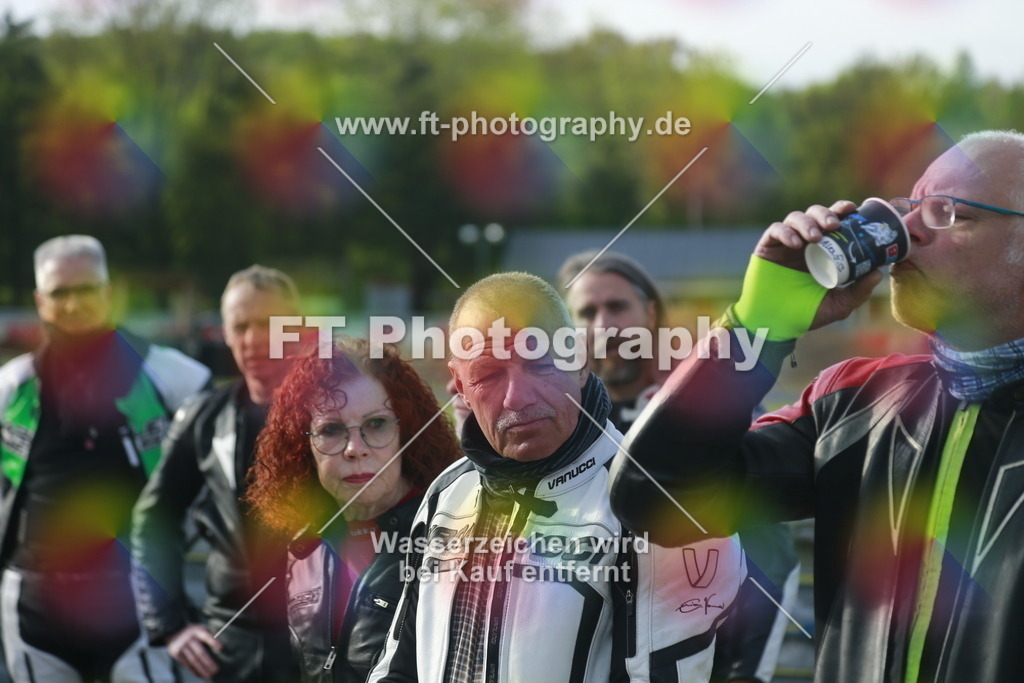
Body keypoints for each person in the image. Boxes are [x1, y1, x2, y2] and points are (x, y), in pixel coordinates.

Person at [610, 129, 1024, 682]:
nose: (908, 232)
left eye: (950, 213)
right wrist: (757, 325)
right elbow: (654, 495)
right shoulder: (853, 403)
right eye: (913, 205)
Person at [368, 272, 746, 682]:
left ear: (580, 360)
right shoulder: (446, 493)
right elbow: (398, 664)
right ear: (460, 385)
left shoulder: (658, 501)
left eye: (540, 364)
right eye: (488, 375)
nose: (517, 397)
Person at [559, 250, 800, 683]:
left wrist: (743, 670)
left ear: (650, 311)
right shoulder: (560, 416)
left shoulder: (709, 399)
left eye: (616, 307)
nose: (603, 327)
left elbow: (771, 548)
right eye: (586, 313)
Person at [0, 235, 211, 682]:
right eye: (60, 293)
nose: (74, 305)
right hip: (34, 605)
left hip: (138, 600)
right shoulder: (11, 389)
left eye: (87, 290)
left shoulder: (174, 377)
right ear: (40, 301)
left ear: (110, 293)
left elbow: (226, 470)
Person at [245, 338, 459, 682]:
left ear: (407, 431)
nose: (354, 449)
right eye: (331, 429)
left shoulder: (452, 539)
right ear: (302, 447)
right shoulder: (302, 548)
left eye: (376, 424)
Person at [131, 265, 302, 682]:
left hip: (320, 639)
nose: (254, 339)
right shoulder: (205, 418)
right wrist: (169, 625)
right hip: (229, 642)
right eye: (241, 325)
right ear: (224, 332)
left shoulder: (342, 413)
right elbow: (155, 517)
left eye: (268, 323)